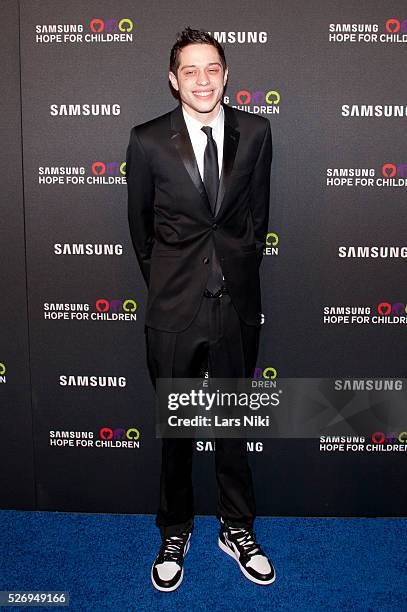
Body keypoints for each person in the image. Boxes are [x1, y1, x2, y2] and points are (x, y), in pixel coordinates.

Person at [126, 27, 274, 592]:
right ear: (173, 80)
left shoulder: (257, 132)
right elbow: (141, 231)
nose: (203, 79)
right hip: (174, 309)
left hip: (235, 305)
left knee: (235, 424)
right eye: (190, 70)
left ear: (226, 73)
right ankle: (175, 528)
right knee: (178, 430)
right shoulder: (146, 141)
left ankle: (236, 527)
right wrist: (170, 284)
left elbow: (256, 223)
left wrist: (233, 279)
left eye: (212, 68)